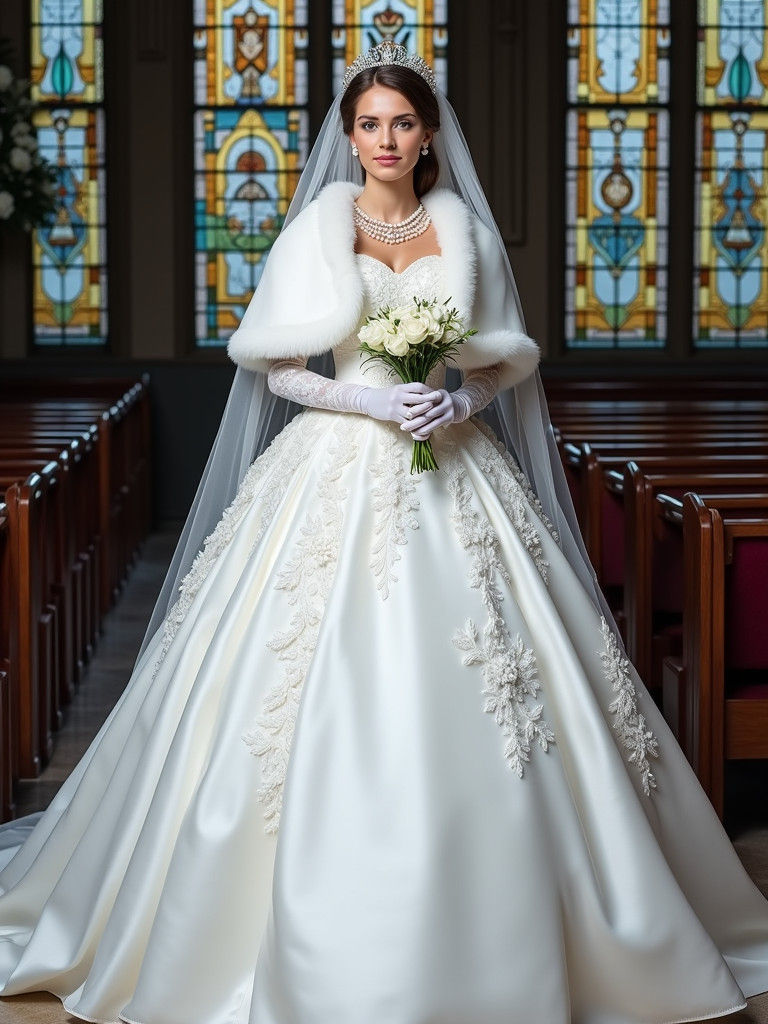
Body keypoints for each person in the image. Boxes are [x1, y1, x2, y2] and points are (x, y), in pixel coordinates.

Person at [0, 39, 767, 1024]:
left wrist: (455, 406)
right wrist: (367, 404)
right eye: (370, 124)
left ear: (429, 131)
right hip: (334, 456)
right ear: (350, 136)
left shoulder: (464, 233)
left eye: (403, 122)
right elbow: (278, 367)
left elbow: (496, 363)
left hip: (451, 460)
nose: (387, 139)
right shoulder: (320, 229)